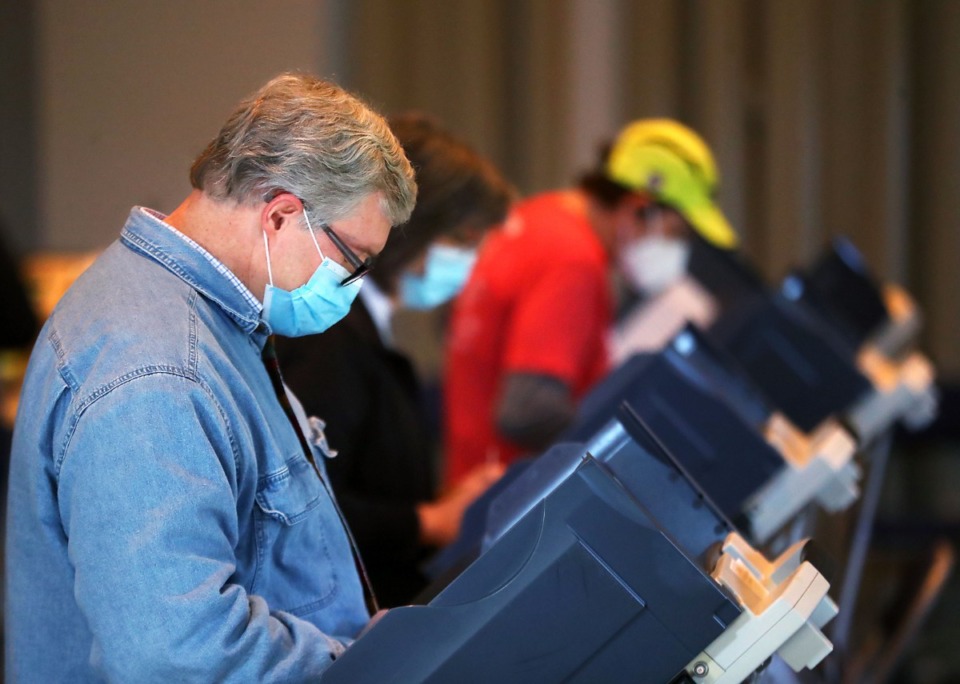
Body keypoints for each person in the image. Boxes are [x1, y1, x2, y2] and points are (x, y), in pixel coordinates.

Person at [5, 73, 417, 682]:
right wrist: (350, 663)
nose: (353, 290)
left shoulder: (205, 320)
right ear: (280, 214)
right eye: (353, 263)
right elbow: (176, 652)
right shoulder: (156, 371)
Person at [276, 113, 512, 607]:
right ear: (412, 225)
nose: (470, 261)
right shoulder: (330, 333)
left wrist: (440, 508)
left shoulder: (362, 326)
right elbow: (304, 503)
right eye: (463, 240)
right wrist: (430, 522)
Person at [443, 118, 738, 485]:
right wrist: (634, 448)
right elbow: (526, 411)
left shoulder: (539, 215)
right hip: (508, 497)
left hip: (470, 479)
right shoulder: (573, 262)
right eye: (675, 233)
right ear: (639, 207)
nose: (677, 251)